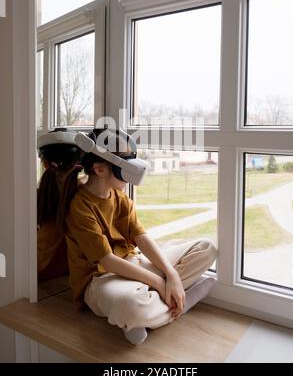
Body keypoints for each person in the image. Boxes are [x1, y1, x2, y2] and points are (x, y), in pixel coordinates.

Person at [58, 128, 217, 345]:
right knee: (131, 306)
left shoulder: (119, 196)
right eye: (124, 165)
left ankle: (156, 308)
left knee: (206, 248)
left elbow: (140, 236)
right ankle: (179, 302)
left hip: (134, 262)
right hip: (100, 280)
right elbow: (107, 260)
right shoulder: (80, 207)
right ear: (99, 169)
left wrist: (171, 275)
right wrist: (160, 283)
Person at [37, 128, 80, 281]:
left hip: (39, 271)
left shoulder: (39, 194)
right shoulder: (84, 195)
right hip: (69, 272)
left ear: (45, 163)